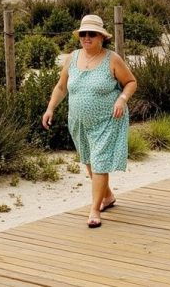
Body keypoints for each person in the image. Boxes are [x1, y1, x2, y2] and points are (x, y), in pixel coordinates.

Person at [42, 14, 137, 228]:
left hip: (107, 120)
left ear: (101, 37)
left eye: (91, 34)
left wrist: (122, 99)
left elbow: (131, 82)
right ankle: (108, 196)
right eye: (83, 34)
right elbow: (61, 87)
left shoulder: (112, 59)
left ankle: (95, 210)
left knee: (100, 161)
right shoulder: (72, 58)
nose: (87, 38)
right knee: (89, 160)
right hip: (78, 122)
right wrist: (50, 109)